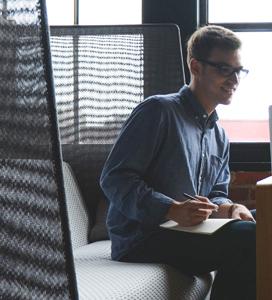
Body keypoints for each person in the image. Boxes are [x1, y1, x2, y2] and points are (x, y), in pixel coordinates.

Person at [99, 25, 255, 300]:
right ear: (196, 66)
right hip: (142, 238)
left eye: (238, 71)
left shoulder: (219, 134)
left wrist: (228, 207)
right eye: (224, 69)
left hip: (187, 233)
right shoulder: (158, 110)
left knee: (270, 229)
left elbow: (216, 194)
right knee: (248, 239)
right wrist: (170, 209)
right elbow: (115, 178)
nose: (234, 80)